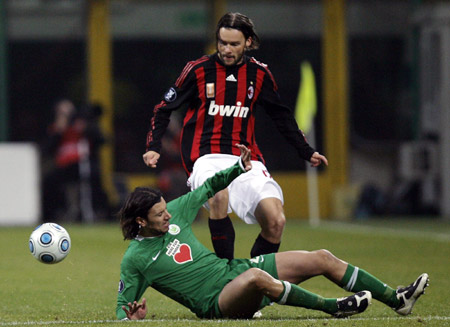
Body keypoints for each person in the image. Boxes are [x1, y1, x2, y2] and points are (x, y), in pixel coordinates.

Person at [117, 144, 428, 320]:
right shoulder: (135, 259)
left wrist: (238, 168)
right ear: (141, 221)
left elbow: (210, 186)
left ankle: (396, 297)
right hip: (216, 302)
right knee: (256, 278)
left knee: (320, 258)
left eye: (165, 208)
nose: (167, 213)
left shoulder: (175, 213)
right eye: (159, 214)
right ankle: (333, 307)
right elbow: (120, 309)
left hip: (231, 271)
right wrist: (131, 318)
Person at [143, 12, 328, 260]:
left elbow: (281, 116)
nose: (227, 49)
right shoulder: (197, 70)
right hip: (205, 159)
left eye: (234, 44)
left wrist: (307, 151)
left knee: (276, 221)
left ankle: (254, 281)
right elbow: (163, 109)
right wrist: (153, 145)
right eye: (222, 43)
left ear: (248, 42)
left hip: (246, 160)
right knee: (219, 195)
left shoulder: (260, 74)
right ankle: (227, 277)